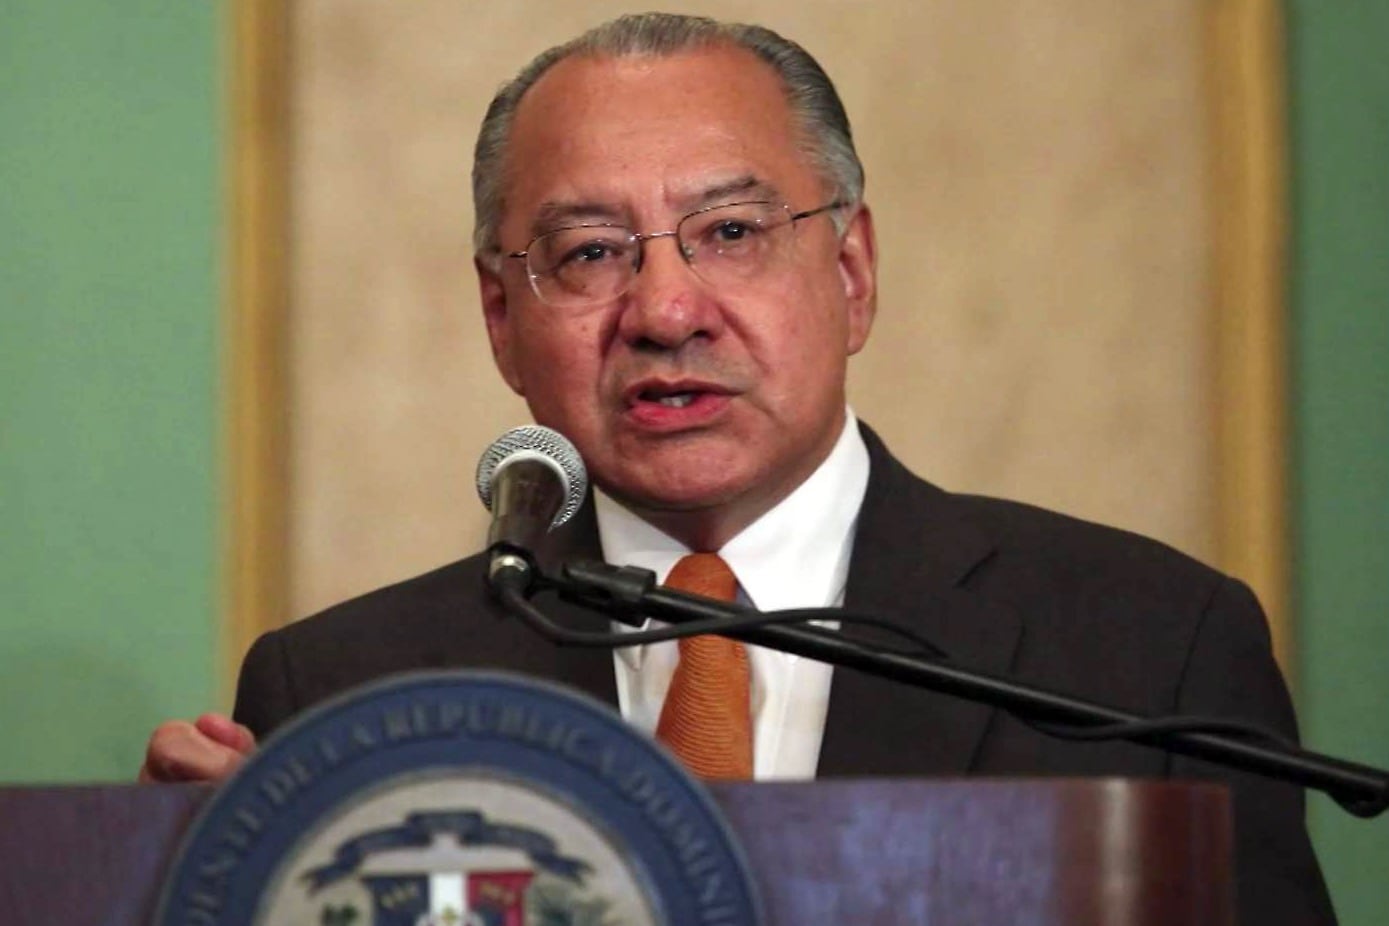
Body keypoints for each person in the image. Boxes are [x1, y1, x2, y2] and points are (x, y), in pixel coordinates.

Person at [141, 13, 1335, 923]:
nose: (666, 310)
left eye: (731, 232)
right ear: (502, 321)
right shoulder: (344, 696)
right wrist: (175, 884)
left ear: (852, 274)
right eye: (590, 252)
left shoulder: (1146, 650)